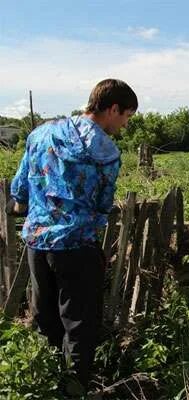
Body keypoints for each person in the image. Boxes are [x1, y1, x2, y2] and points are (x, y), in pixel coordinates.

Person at [8, 79, 138, 395]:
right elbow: (102, 203)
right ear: (113, 109)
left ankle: (42, 384)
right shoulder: (105, 150)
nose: (123, 126)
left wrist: (34, 206)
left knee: (44, 319)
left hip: (38, 243)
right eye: (125, 118)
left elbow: (19, 189)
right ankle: (73, 389)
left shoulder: (39, 134)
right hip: (77, 247)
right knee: (78, 326)